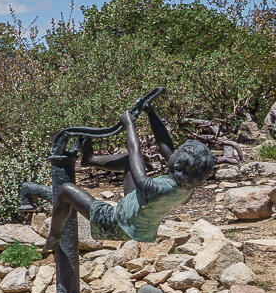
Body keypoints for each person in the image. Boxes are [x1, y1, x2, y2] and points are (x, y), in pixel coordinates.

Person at [20, 88, 215, 244]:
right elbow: (165, 146)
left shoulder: (159, 188)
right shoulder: (187, 189)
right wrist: (151, 112)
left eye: (178, 153)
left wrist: (129, 126)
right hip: (138, 219)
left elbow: (138, 161)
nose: (173, 153)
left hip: (115, 223)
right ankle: (91, 159)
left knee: (63, 189)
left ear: (180, 163)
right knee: (129, 161)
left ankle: (54, 235)